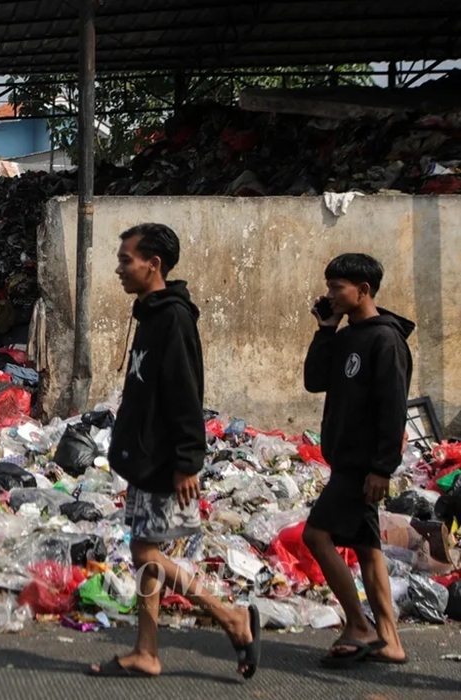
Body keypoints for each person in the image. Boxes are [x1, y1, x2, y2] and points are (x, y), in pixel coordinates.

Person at [88, 223, 260, 680]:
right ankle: (146, 650)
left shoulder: (174, 319)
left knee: (146, 552)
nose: (120, 268)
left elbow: (186, 393)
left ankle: (229, 617)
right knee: (146, 552)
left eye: (127, 259)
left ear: (154, 264)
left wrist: (188, 461)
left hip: (165, 459)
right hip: (145, 456)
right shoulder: (149, 313)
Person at [302, 253, 414, 667]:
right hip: (346, 460)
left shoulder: (386, 340)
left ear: (363, 290)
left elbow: (393, 408)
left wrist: (382, 467)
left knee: (316, 536)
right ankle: (390, 639)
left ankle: (357, 624)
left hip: (361, 466)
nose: (330, 294)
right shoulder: (347, 335)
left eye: (337, 288)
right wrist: (326, 330)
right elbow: (315, 381)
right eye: (329, 286)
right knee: (368, 549)